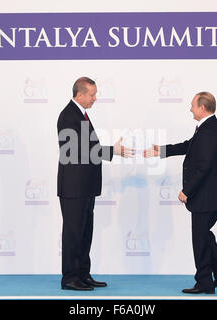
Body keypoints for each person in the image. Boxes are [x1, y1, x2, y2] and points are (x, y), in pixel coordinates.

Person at [144, 92, 217, 294]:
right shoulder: (208, 127)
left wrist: (187, 191)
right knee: (203, 235)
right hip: (210, 194)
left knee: (200, 238)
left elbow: (204, 165)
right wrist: (163, 150)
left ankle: (205, 282)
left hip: (206, 195)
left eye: (192, 105)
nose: (190, 108)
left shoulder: (209, 130)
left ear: (203, 108)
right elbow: (190, 146)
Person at [57, 77, 134, 291]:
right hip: (73, 187)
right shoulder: (68, 116)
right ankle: (70, 278)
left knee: (85, 232)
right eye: (92, 94)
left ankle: (83, 274)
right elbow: (74, 151)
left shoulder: (80, 114)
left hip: (85, 186)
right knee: (74, 233)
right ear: (79, 94)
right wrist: (112, 151)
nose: (95, 98)